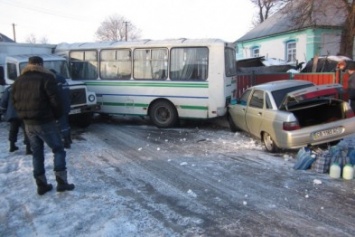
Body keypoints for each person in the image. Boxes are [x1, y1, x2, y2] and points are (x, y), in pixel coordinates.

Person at [11, 56, 75, 195]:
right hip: (45, 121)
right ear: (40, 64)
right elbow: (55, 100)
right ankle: (62, 183)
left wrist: (23, 116)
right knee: (58, 149)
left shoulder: (19, 80)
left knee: (37, 153)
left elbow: (14, 101)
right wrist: (57, 116)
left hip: (28, 123)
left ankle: (41, 185)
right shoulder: (46, 78)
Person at [0, 85, 32, 154]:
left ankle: (12, 145)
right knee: (27, 131)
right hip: (24, 113)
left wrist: (3, 111)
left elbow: (3, 101)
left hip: (12, 113)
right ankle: (28, 148)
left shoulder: (9, 89)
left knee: (13, 130)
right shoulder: (27, 87)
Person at [50, 69, 72, 149]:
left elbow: (54, 94)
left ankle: (66, 141)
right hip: (67, 104)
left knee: (62, 124)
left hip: (60, 105)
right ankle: (69, 139)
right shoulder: (63, 79)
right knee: (66, 122)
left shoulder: (54, 80)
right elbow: (68, 91)